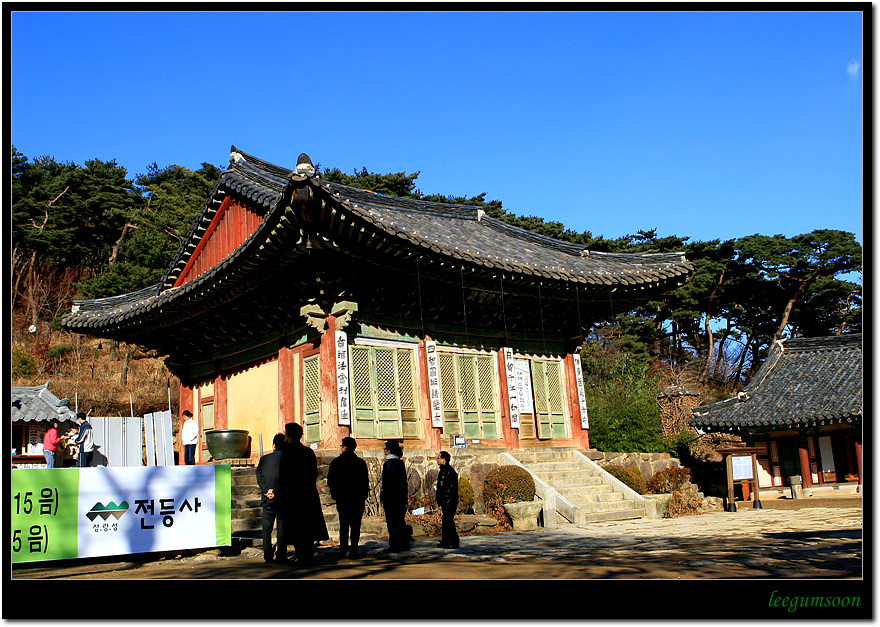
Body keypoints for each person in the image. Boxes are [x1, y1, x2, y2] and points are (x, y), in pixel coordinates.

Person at [279, 422, 328, 565]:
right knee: (307, 528)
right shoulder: (308, 452)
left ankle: (302, 557)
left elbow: (284, 476)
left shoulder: (287, 452)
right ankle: (308, 556)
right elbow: (313, 473)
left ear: (289, 435)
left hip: (292, 495)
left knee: (296, 528)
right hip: (308, 494)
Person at [327, 436, 369, 559]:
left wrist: (334, 493)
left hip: (342, 498)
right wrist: (363, 495)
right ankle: (354, 550)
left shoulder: (336, 462)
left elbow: (331, 480)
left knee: (343, 524)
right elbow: (364, 481)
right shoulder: (361, 463)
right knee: (356, 526)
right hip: (357, 498)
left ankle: (343, 550)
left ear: (344, 447)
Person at [256, 433, 287, 563]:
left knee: (267, 528)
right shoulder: (287, 459)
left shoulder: (264, 459)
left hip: (268, 498)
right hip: (282, 498)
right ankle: (281, 554)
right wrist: (276, 491)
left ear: (274, 445)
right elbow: (286, 479)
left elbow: (259, 475)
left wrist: (266, 490)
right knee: (281, 527)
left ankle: (267, 554)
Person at [380, 439, 410, 553]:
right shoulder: (400, 463)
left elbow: (387, 483)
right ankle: (404, 543)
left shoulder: (388, 464)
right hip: (400, 497)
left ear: (388, 450)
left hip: (391, 497)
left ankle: (395, 544)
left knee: (392, 522)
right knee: (400, 521)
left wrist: (384, 496)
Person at [435, 450, 460, 549]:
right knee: (447, 521)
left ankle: (453, 541)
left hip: (447, 500)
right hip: (452, 499)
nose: (437, 460)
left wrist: (439, 499)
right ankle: (446, 541)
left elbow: (441, 487)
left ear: (444, 460)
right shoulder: (451, 470)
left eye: (439, 458)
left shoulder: (444, 471)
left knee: (448, 522)